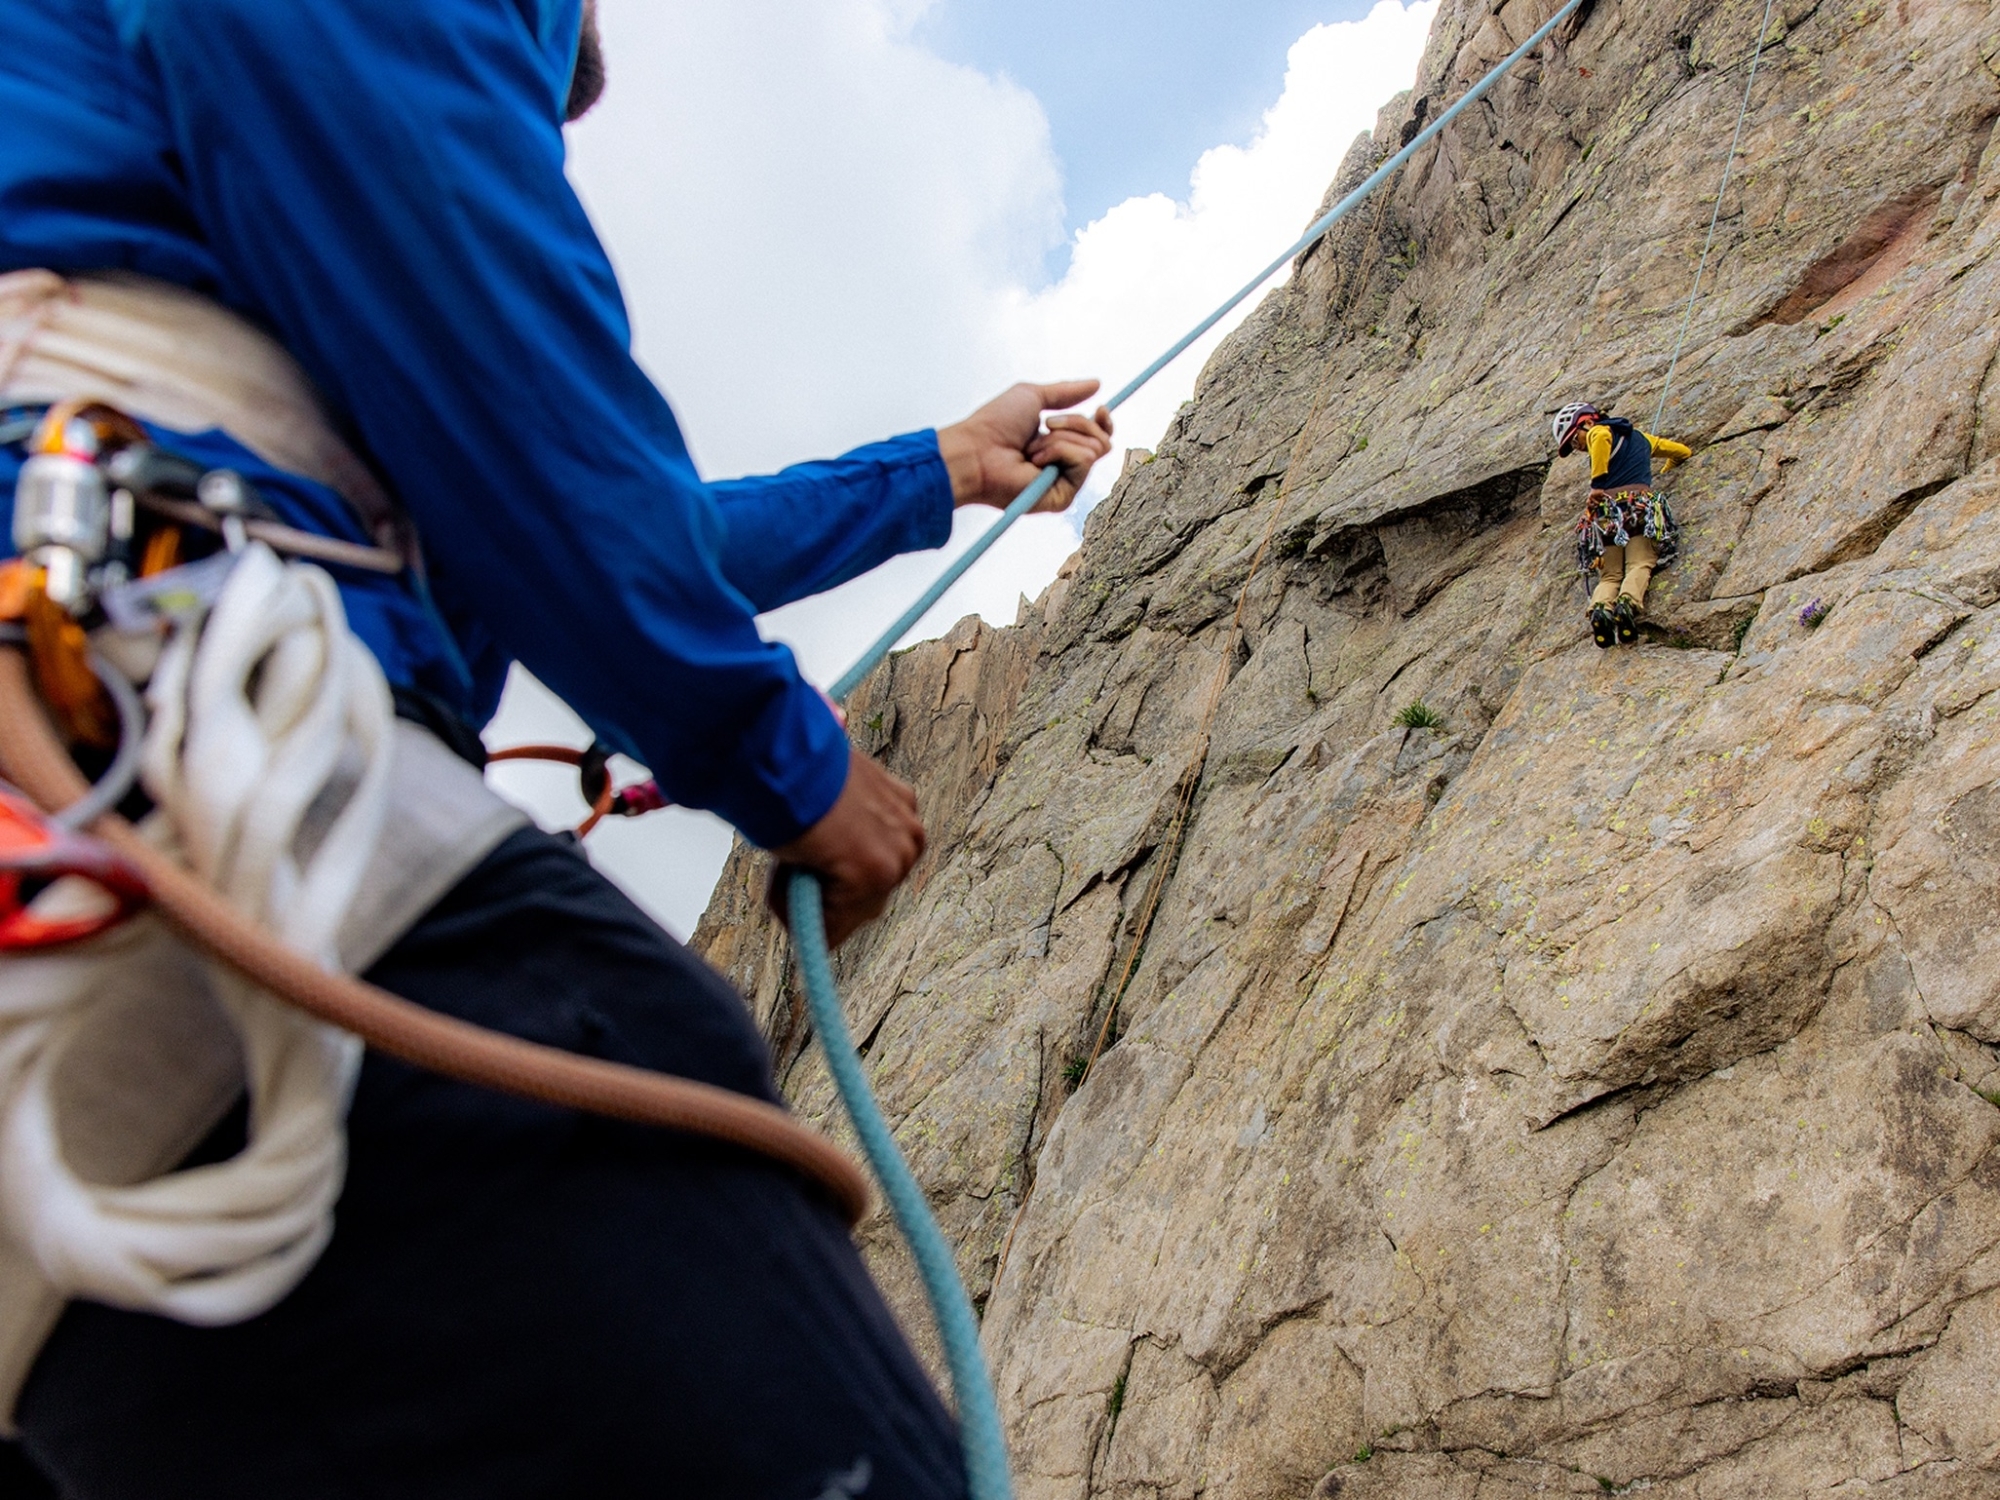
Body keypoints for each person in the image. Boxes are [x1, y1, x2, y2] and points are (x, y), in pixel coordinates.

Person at [0, 1, 1113, 1496]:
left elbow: (543, 507)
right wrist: (789, 764)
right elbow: (493, 365)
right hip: (219, 820)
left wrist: (925, 473)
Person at [1552, 401, 1691, 647]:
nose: (1578, 448)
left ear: (1587, 422)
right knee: (1640, 563)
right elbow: (1681, 452)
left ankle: (1601, 610)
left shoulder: (1599, 432)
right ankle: (1626, 604)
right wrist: (1667, 469)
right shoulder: (1643, 440)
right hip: (1637, 509)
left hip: (1606, 515)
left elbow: (1601, 437)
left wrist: (1597, 484)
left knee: (1610, 576)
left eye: (1575, 440)